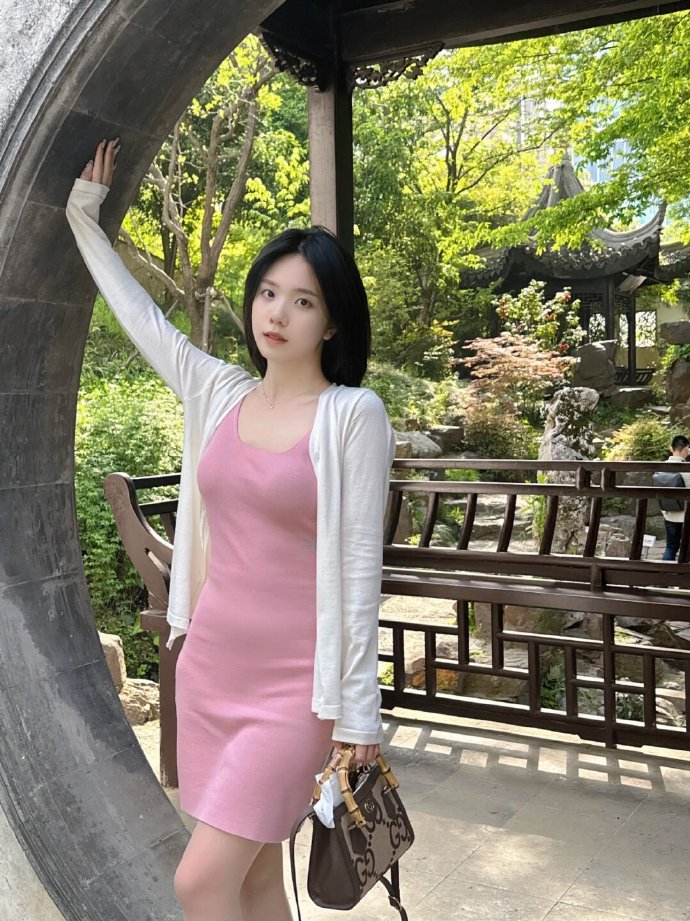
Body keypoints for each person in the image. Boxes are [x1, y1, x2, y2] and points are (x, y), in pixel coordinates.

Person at [66, 139, 396, 921]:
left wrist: (359, 712)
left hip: (294, 692)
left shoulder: (353, 415)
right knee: (252, 882)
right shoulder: (217, 391)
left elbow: (359, 569)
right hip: (210, 670)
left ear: (333, 322)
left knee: (199, 882)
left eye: (304, 301)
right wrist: (85, 215)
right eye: (269, 292)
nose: (277, 312)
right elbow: (140, 316)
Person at [660, 434, 690, 561]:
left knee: (671, 547)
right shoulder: (687, 468)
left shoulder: (660, 467)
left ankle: (665, 571)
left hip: (669, 513)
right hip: (687, 514)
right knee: (687, 548)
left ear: (671, 448)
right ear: (686, 449)